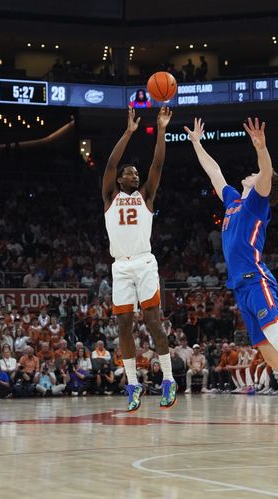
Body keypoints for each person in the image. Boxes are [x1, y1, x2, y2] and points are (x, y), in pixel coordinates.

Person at [184, 116, 278, 449]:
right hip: (241, 288)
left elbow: (266, 175)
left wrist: (262, 150)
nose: (249, 175)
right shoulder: (234, 201)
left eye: (255, 175)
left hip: (256, 281)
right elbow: (214, 172)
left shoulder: (257, 202)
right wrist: (197, 143)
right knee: (270, 355)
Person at [101, 106, 177, 413]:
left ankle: (169, 379)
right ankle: (133, 383)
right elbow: (109, 163)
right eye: (129, 173)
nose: (135, 174)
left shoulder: (146, 195)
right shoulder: (110, 197)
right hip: (120, 265)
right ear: (120, 180)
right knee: (123, 325)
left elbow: (158, 162)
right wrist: (129, 132)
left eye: (136, 172)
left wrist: (161, 129)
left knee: (152, 321)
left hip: (145, 263)